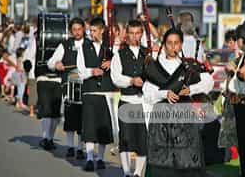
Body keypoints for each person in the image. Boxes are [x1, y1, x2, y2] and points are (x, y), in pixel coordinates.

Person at [142, 28, 214, 177]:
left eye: (176, 43)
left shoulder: (188, 66)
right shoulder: (154, 67)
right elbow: (147, 91)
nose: (173, 46)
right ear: (164, 44)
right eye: (169, 43)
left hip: (185, 119)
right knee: (162, 160)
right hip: (162, 118)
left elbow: (208, 81)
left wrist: (191, 89)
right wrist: (165, 93)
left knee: (187, 158)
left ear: (181, 45)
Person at [111, 20, 148, 177]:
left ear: (141, 34)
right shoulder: (119, 55)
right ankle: (126, 172)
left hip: (143, 103)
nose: (134, 36)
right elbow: (115, 77)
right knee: (125, 139)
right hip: (126, 100)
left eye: (137, 33)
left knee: (142, 140)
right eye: (131, 33)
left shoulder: (148, 54)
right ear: (127, 34)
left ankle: (138, 172)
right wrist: (131, 81)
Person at [77, 18, 115, 171]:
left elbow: (120, 65)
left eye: (94, 31)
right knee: (90, 126)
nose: (91, 33)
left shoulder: (111, 47)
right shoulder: (83, 47)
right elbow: (80, 72)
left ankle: (100, 158)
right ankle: (89, 159)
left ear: (102, 30)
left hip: (106, 92)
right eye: (90, 31)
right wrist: (91, 72)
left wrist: (112, 63)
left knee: (103, 127)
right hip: (90, 91)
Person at [47, 17, 86, 159]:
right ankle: (70, 146)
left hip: (85, 85)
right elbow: (50, 62)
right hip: (69, 85)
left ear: (84, 29)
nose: (76, 32)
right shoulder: (65, 44)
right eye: (74, 30)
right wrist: (56, 64)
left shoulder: (90, 44)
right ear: (71, 31)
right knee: (70, 118)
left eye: (79, 29)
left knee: (83, 119)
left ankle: (81, 148)